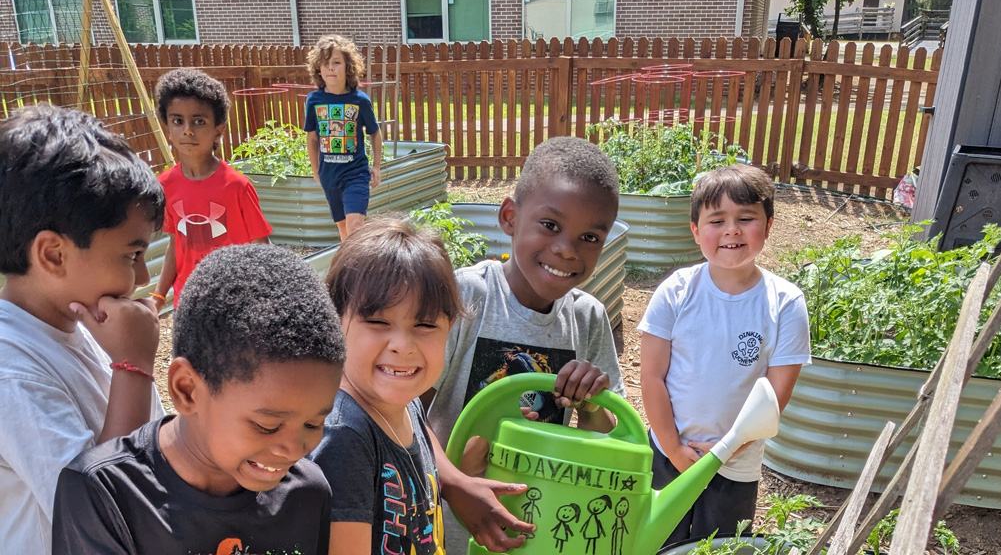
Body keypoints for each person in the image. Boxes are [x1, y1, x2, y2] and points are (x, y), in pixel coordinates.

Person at [52, 244, 346, 554]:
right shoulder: (105, 495)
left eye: (314, 423)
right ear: (187, 390)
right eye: (267, 425)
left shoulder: (308, 493)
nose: (294, 448)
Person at [426, 136, 627, 554]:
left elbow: (611, 438)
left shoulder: (587, 318)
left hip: (540, 529)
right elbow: (405, 412)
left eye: (590, 237)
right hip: (448, 529)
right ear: (509, 216)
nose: (566, 250)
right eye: (550, 225)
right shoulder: (466, 297)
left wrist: (591, 404)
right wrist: (455, 484)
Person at [0, 104, 166, 554]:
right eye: (131, 255)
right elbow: (100, 512)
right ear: (53, 254)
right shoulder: (12, 374)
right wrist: (133, 367)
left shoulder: (84, 323)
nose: (145, 278)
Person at [638, 164, 810, 547]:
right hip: (666, 454)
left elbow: (774, 399)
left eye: (746, 218)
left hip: (736, 464)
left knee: (720, 545)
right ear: (696, 230)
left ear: (767, 226)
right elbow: (651, 377)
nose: (732, 230)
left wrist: (723, 453)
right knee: (656, 543)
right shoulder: (676, 292)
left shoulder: (785, 303)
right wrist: (676, 449)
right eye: (717, 220)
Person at [313, 217, 465, 554]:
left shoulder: (407, 403)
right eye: (378, 322)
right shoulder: (345, 438)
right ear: (336, 320)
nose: (402, 345)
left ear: (449, 327)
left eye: (425, 324)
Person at [152, 67, 272, 308]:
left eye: (199, 121)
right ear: (167, 127)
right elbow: (176, 244)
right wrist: (158, 296)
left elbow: (262, 246)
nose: (187, 130)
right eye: (178, 120)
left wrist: (267, 295)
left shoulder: (236, 186)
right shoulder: (165, 185)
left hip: (233, 300)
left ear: (219, 129)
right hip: (188, 301)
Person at [304, 35, 383, 241]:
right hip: (329, 175)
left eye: (336, 63)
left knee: (355, 227)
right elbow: (312, 139)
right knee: (343, 231)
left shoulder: (359, 101)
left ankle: (360, 271)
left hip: (355, 174)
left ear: (348, 67)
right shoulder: (314, 101)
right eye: (326, 63)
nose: (331, 68)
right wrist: (315, 171)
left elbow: (375, 133)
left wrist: (376, 167)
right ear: (318, 69)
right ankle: (350, 270)